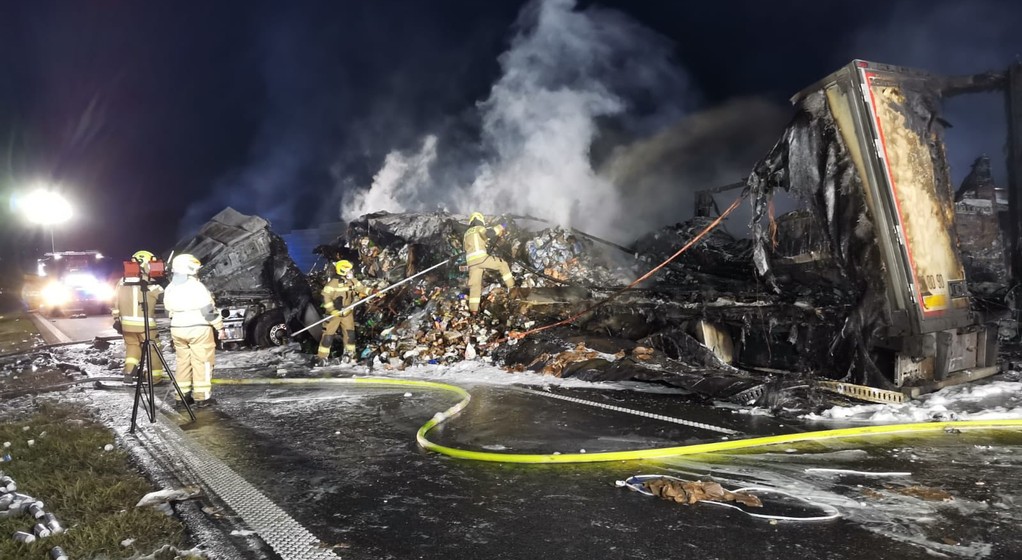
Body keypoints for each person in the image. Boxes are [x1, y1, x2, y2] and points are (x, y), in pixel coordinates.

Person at [163, 254, 222, 407]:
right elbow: (208, 311)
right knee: (202, 362)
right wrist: (219, 326)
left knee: (182, 362)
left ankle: (181, 397)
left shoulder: (170, 287)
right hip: (198, 328)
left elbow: (168, 309)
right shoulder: (196, 286)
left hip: (177, 328)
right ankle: (202, 397)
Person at [112, 250, 164, 384]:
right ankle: (154, 378)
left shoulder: (121, 282)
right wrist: (163, 281)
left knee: (132, 347)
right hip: (145, 326)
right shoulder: (150, 283)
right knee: (154, 350)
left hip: (126, 325)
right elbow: (166, 297)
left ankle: (129, 372)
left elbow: (115, 302)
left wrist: (117, 319)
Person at [316, 259, 370, 365]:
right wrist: (333, 310)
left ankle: (350, 355)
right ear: (342, 270)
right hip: (334, 314)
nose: (351, 272)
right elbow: (325, 297)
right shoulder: (332, 284)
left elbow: (362, 288)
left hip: (347, 312)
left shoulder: (352, 281)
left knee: (350, 335)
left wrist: (373, 291)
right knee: (328, 336)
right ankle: (322, 358)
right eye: (349, 270)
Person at [463, 212, 514, 314]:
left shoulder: (466, 234)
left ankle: (473, 310)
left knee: (475, 286)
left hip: (471, 263)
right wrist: (503, 225)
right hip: (481, 258)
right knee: (502, 264)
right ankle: (512, 288)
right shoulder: (479, 228)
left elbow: (467, 247)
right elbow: (489, 233)